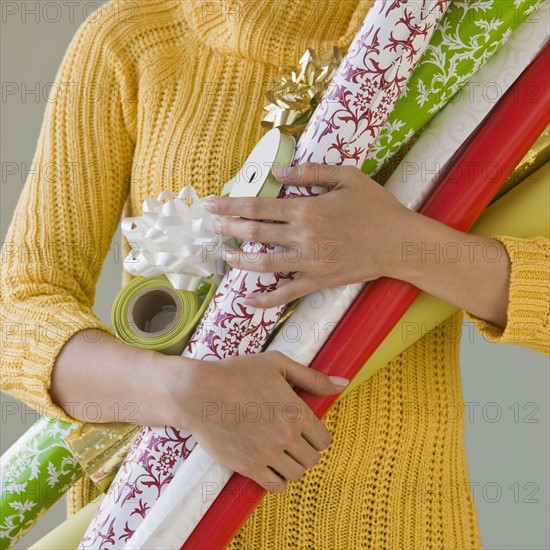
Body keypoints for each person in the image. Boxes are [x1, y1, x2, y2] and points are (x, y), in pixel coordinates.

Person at [1, 1, 548, 548]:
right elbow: (18, 310)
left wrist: (401, 245)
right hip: (151, 517)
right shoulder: (131, 41)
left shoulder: (463, 29)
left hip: (389, 522)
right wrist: (179, 390)